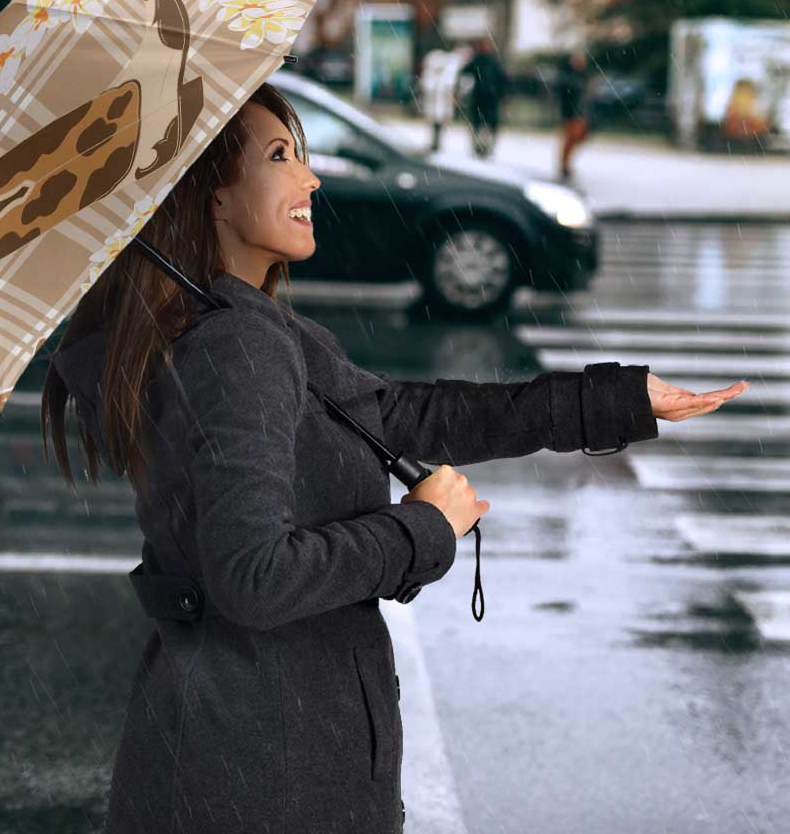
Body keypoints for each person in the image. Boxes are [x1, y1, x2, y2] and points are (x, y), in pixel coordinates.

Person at [42, 81, 742, 834]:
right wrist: (422, 529)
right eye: (279, 157)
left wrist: (614, 401)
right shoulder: (237, 346)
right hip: (266, 773)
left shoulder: (237, 328)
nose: (310, 178)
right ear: (212, 195)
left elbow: (405, 415)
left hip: (241, 751)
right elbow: (254, 577)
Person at [458, 36, 508, 159]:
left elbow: (502, 80)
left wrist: (501, 94)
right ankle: (479, 147)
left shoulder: (490, 62)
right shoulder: (480, 61)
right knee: (480, 124)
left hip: (488, 99)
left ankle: (485, 147)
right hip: (482, 98)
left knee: (485, 125)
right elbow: (464, 73)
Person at [556, 49, 592, 181]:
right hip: (571, 113)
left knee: (578, 137)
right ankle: (564, 165)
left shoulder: (582, 76)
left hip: (580, 113)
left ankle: (565, 164)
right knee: (570, 139)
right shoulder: (568, 77)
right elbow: (565, 96)